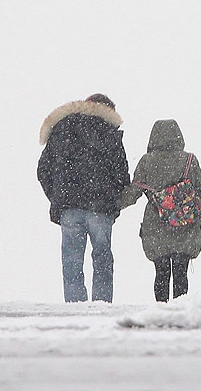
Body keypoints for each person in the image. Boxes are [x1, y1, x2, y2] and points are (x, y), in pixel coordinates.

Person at [37, 93, 130, 302]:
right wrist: (114, 198)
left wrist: (58, 196)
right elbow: (122, 174)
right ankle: (102, 304)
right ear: (108, 110)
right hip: (101, 207)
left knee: (71, 259)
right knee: (103, 258)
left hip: (69, 208)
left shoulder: (61, 129)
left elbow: (43, 170)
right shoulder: (108, 132)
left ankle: (74, 305)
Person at [119, 119, 201, 301]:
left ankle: (161, 311)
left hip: (157, 227)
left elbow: (133, 194)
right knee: (181, 272)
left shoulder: (147, 161)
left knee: (161, 273)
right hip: (186, 226)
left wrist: (110, 206)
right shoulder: (189, 160)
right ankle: (180, 310)